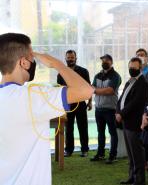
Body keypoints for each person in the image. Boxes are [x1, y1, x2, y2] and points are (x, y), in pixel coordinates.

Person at [0, 33, 93, 185]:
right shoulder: (33, 96)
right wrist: (55, 63)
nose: (34, 61)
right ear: (23, 63)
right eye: (32, 57)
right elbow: (86, 91)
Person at [116, 57, 148, 185]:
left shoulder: (143, 83)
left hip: (134, 123)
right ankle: (132, 177)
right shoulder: (129, 81)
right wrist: (118, 111)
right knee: (131, 154)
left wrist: (121, 114)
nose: (132, 69)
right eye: (130, 67)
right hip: (126, 122)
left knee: (137, 154)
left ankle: (139, 180)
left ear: (140, 68)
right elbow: (122, 98)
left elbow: (136, 103)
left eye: (135, 67)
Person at [57, 50, 92, 157]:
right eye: (68, 57)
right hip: (67, 104)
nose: (70, 59)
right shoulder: (61, 73)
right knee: (69, 128)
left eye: (72, 57)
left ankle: (84, 150)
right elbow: (60, 91)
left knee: (83, 127)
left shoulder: (83, 71)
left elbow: (88, 87)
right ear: (65, 58)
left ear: (76, 58)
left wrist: (90, 102)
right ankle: (69, 150)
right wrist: (61, 105)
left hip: (81, 103)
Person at [91, 54, 121, 164]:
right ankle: (100, 154)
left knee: (112, 132)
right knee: (100, 132)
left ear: (111, 62)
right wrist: (96, 90)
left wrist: (96, 90)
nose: (104, 62)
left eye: (107, 60)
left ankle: (113, 156)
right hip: (98, 109)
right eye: (103, 60)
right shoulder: (97, 75)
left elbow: (110, 91)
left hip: (110, 109)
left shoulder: (115, 76)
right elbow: (91, 88)